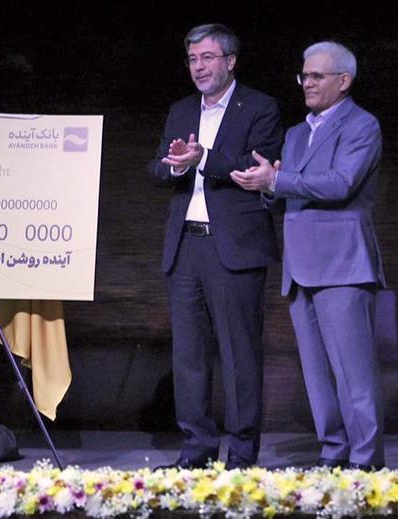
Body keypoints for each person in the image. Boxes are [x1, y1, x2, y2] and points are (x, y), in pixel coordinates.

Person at [231, 41, 385, 471]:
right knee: (317, 375)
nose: (307, 83)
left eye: (317, 76)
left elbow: (340, 183)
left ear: (344, 80)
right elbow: (288, 193)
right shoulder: (297, 134)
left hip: (343, 265)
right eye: (304, 76)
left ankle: (365, 460)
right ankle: (333, 452)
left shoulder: (362, 125)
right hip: (300, 266)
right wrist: (265, 187)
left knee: (353, 372)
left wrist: (277, 182)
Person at [148, 23, 283, 469]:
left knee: (239, 353)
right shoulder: (181, 110)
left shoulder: (259, 107)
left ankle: (241, 452)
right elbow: (157, 167)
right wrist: (175, 166)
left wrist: (203, 158)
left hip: (234, 248)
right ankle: (197, 449)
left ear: (230, 60)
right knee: (189, 354)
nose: (199, 67)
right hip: (185, 246)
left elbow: (255, 165)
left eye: (207, 57)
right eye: (192, 59)